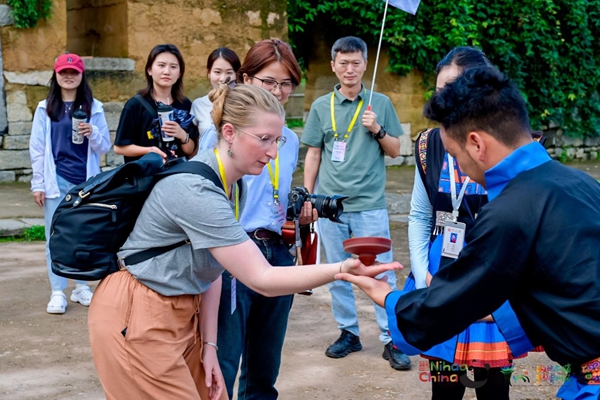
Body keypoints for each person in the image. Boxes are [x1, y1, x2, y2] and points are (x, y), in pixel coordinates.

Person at [88, 83, 401, 400]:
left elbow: (212, 271)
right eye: (264, 139)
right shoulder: (198, 190)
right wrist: (344, 268)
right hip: (139, 309)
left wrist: (209, 346)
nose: (273, 152)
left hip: (182, 310)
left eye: (277, 140)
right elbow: (261, 278)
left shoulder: (232, 185)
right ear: (228, 132)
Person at [338, 67, 600, 400]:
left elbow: (448, 305)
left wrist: (387, 297)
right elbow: (570, 295)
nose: (458, 167)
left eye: (454, 155)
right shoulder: (580, 184)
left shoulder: (511, 209)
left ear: (475, 143)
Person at [198, 39, 315, 400]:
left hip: (277, 249)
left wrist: (298, 212)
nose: (278, 91)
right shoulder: (221, 135)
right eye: (268, 81)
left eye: (285, 84)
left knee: (265, 364)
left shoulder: (290, 140)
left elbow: (273, 196)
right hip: (234, 252)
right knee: (226, 361)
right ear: (246, 79)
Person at [407, 47, 517, 400]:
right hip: (442, 275)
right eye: (440, 90)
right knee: (445, 390)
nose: (446, 99)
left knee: (494, 391)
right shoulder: (428, 144)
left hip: (491, 277)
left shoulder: (510, 144)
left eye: (455, 88)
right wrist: (423, 271)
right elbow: (420, 215)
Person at [301, 36, 410, 370]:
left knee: (382, 273)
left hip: (370, 205)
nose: (349, 69)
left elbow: (396, 150)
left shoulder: (380, 102)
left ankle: (391, 338)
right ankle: (348, 333)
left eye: (356, 62)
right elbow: (314, 153)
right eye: (343, 62)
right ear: (334, 65)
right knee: (338, 273)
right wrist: (309, 198)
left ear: (365, 65)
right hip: (331, 206)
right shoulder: (321, 106)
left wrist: (377, 128)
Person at [29, 53, 111, 314]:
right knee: (55, 238)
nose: (68, 76)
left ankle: (81, 286)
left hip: (85, 182)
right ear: (55, 74)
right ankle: (57, 291)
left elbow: (105, 146)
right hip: (56, 181)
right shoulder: (45, 108)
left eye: (73, 72)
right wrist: (38, 184)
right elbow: (38, 149)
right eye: (63, 71)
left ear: (81, 75)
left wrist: (93, 132)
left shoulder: (93, 107)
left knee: (84, 235)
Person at [114, 44, 199, 163]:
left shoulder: (185, 104)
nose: (167, 71)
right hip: (145, 175)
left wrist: (182, 134)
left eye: (173, 67)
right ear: (150, 70)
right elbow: (119, 148)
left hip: (177, 175)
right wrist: (150, 150)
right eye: (161, 65)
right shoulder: (135, 105)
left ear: (179, 73)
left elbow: (190, 150)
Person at [192, 47, 241, 138]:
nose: (222, 78)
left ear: (237, 74)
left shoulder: (245, 104)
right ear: (209, 73)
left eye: (229, 73)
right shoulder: (198, 105)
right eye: (217, 72)